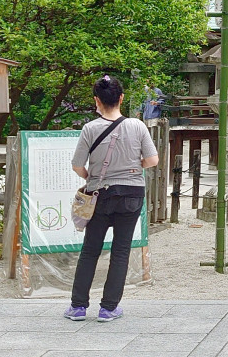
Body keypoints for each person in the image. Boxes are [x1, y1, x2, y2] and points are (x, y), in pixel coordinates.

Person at [64, 75, 159, 322]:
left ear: (97, 100)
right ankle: (108, 308)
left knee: (90, 250)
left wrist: (91, 177)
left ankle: (78, 307)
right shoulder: (137, 126)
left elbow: (77, 166)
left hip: (100, 194)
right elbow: (152, 161)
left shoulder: (89, 128)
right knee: (121, 250)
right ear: (121, 98)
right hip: (131, 193)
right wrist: (131, 167)